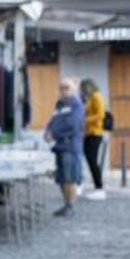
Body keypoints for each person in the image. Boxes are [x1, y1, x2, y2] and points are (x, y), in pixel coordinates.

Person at [45, 78, 86, 217]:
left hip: (70, 146)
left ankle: (70, 206)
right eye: (61, 87)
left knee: (69, 178)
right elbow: (53, 120)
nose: (63, 90)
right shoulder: (60, 105)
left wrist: (54, 134)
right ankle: (66, 205)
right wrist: (47, 131)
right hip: (60, 147)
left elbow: (72, 124)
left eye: (66, 87)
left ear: (74, 89)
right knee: (61, 178)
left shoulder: (77, 105)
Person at [81, 78, 108, 200]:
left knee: (92, 160)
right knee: (90, 160)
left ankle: (99, 188)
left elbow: (100, 115)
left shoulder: (97, 96)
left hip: (95, 133)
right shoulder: (91, 98)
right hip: (89, 133)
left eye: (82, 88)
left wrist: (85, 120)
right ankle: (97, 187)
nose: (81, 91)